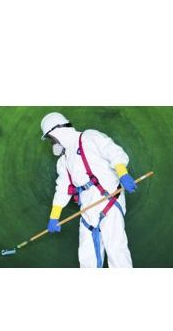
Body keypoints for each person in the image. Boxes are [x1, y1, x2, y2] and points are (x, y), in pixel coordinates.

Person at [41, 112, 137, 268]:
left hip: (109, 200)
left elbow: (112, 151)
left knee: (116, 249)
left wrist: (122, 173)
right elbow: (62, 188)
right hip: (87, 209)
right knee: (87, 256)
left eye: (51, 138)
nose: (52, 143)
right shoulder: (63, 162)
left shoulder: (89, 137)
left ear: (57, 131)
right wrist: (54, 215)